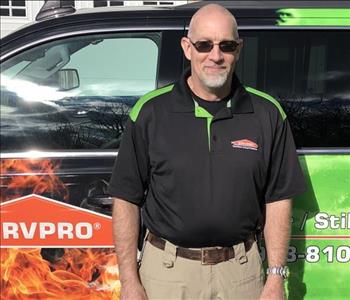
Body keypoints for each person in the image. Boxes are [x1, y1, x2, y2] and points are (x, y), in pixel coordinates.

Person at [108, 4, 306, 300]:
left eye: (226, 45)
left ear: (238, 49)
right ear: (187, 48)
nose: (216, 56)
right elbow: (126, 198)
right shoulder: (149, 112)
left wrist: (276, 278)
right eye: (204, 45)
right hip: (167, 273)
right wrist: (129, 281)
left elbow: (278, 200)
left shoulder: (267, 113)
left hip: (242, 272)